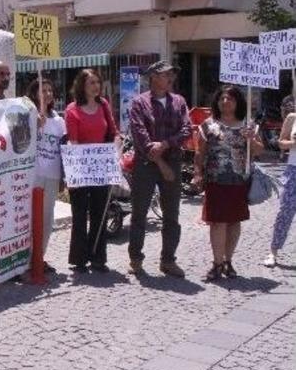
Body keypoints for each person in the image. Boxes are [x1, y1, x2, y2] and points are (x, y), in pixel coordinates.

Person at [127, 60, 192, 277]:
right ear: (153, 76)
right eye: (166, 74)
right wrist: (161, 163)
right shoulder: (139, 103)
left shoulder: (179, 102)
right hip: (146, 164)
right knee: (139, 214)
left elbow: (186, 130)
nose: (170, 78)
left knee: (172, 214)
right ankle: (136, 258)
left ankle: (168, 260)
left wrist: (165, 144)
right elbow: (140, 135)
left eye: (172, 74)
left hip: (172, 159)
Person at [192, 86, 263, 281]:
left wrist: (251, 140)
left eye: (230, 98)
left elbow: (258, 151)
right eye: (222, 98)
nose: (225, 102)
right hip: (215, 180)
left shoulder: (249, 125)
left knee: (234, 221)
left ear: (238, 102)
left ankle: (228, 261)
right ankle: (217, 263)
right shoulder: (208, 125)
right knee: (217, 222)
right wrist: (197, 173)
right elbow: (200, 152)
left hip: (239, 181)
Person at [64, 69, 119, 273]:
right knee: (79, 215)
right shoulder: (72, 110)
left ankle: (98, 257)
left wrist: (116, 148)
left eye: (98, 82)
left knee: (100, 212)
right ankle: (78, 259)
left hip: (101, 168)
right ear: (82, 86)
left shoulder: (104, 105)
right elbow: (73, 140)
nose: (96, 86)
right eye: (91, 83)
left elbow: (114, 133)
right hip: (80, 168)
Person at [27, 78, 65, 273]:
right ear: (34, 94)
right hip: (33, 175)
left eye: (50, 90)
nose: (47, 94)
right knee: (29, 219)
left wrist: (64, 178)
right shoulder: (28, 115)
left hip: (52, 175)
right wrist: (33, 126)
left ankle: (39, 257)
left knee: (47, 218)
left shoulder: (59, 121)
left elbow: (64, 149)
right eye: (43, 90)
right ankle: (26, 260)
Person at [268, 110, 296, 267]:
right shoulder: (292, 118)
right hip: (294, 169)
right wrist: (292, 144)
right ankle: (273, 251)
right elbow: (280, 143)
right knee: (285, 211)